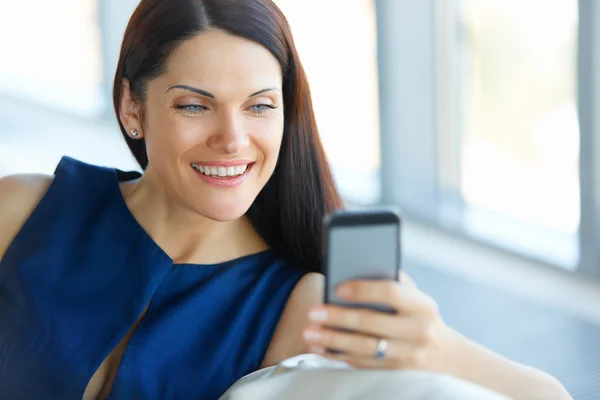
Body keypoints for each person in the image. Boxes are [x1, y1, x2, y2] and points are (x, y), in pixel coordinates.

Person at [0, 0, 571, 399]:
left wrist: (437, 346)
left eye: (259, 105)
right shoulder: (22, 211)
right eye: (194, 105)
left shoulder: (304, 304)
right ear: (132, 106)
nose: (232, 138)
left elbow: (548, 396)